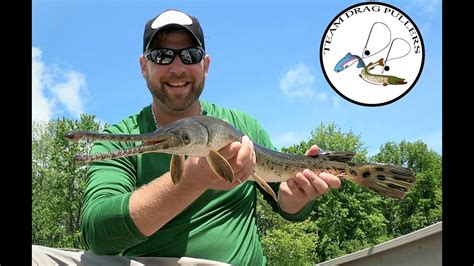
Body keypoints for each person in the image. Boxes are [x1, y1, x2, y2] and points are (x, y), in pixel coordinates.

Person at [32, 8, 341, 265]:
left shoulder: (244, 125)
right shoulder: (120, 135)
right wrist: (189, 183)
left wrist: (295, 199)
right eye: (162, 56)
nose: (177, 67)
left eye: (190, 55)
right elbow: (98, 235)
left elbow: (286, 204)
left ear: (205, 65)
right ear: (144, 67)